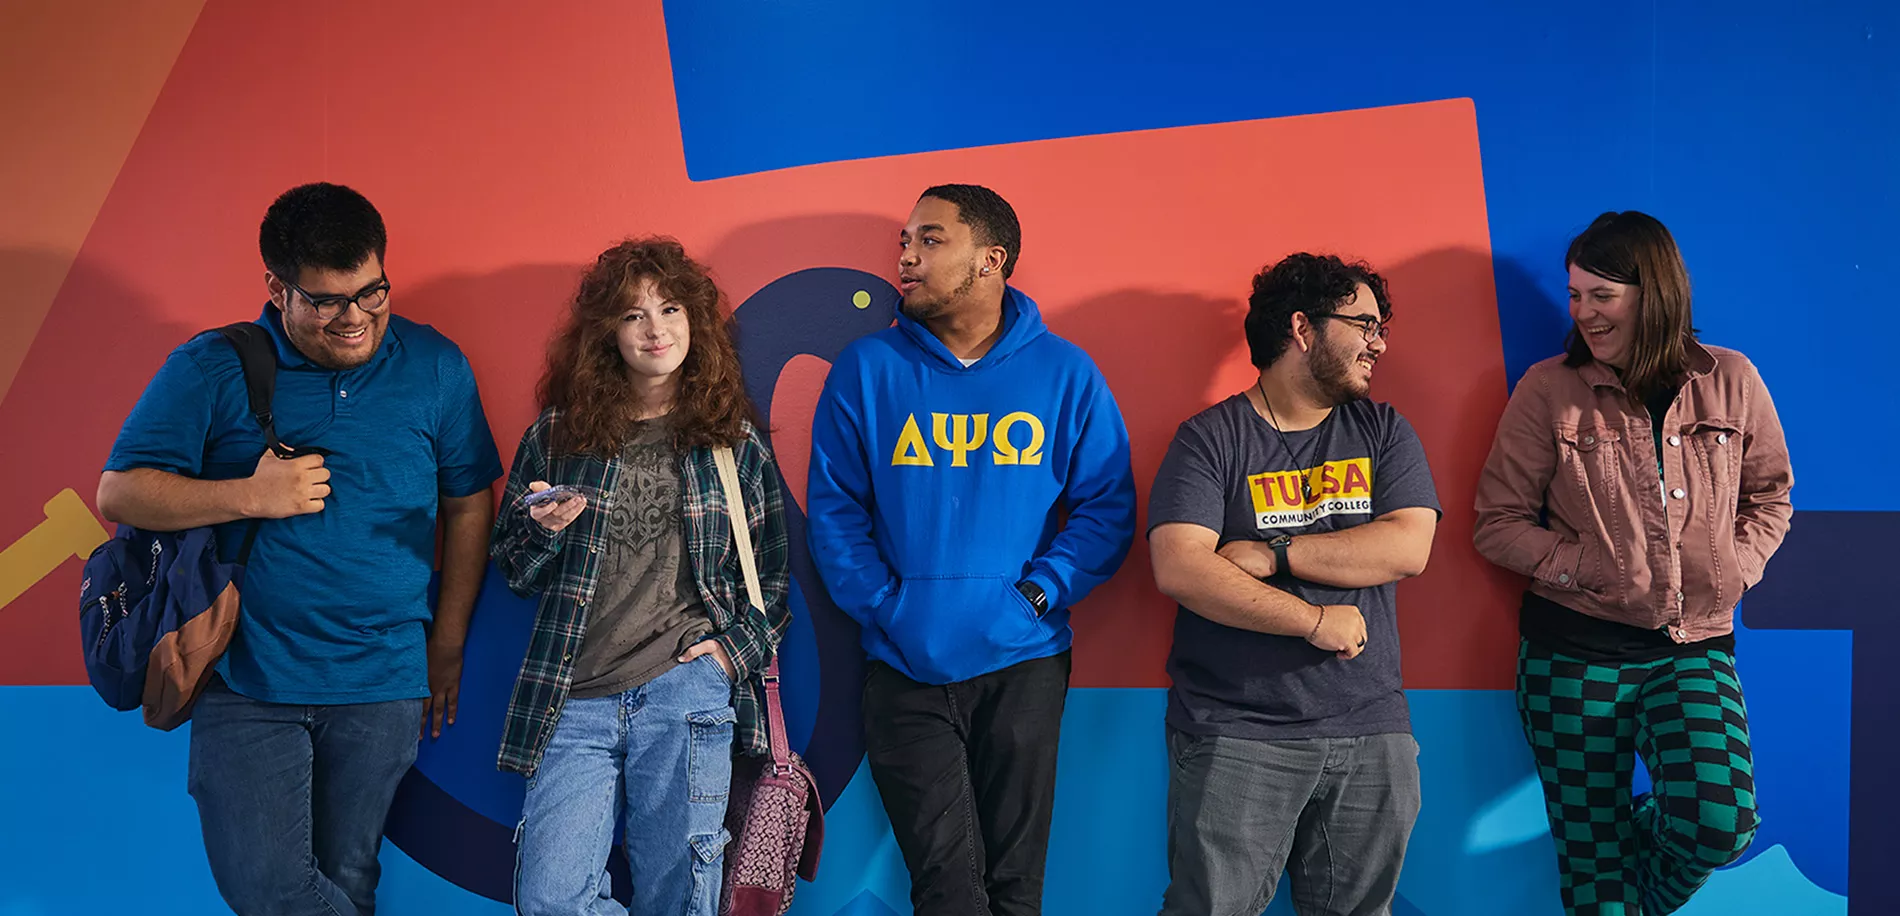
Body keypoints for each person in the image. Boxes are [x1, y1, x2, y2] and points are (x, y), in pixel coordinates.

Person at [97, 182, 502, 915]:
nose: (354, 320)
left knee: (349, 879)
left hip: (382, 677)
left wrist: (445, 641)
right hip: (246, 676)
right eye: (324, 301)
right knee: (268, 888)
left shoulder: (435, 364)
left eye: (370, 292)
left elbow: (469, 502)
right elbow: (120, 492)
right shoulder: (214, 366)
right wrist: (247, 495)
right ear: (275, 288)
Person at [806, 184, 1137, 915]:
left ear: (991, 260)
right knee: (948, 893)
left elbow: (1106, 507)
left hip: (1024, 662)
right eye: (904, 241)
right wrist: (887, 605)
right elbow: (834, 513)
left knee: (1016, 892)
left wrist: (1036, 595)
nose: (906, 257)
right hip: (902, 666)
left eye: (929, 240)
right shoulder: (866, 370)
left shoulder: (1065, 373)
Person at [1473, 210, 1791, 915]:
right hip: (1570, 656)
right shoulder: (1547, 390)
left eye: (1602, 295)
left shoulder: (1730, 381)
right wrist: (1589, 566)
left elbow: (1770, 495)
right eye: (1575, 295)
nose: (1583, 311)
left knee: (1721, 822)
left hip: (1693, 651)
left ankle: (1625, 870)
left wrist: (1732, 567)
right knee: (1593, 874)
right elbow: (1497, 525)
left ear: (1654, 292)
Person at [491, 237, 791, 916]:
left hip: (685, 695)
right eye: (634, 315)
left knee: (679, 901)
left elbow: (771, 584)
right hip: (573, 698)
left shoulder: (731, 443)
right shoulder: (558, 437)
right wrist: (544, 530)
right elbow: (513, 569)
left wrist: (725, 658)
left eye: (672, 309)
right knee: (550, 901)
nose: (656, 329)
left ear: (697, 323)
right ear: (608, 334)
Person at [1147, 252, 1440, 916]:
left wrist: (1276, 555)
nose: (1380, 342)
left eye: (1381, 326)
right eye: (1364, 323)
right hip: (1237, 729)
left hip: (1371, 728)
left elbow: (1408, 546)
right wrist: (1310, 621)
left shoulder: (1382, 431)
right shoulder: (1209, 441)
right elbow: (1182, 567)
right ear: (1304, 328)